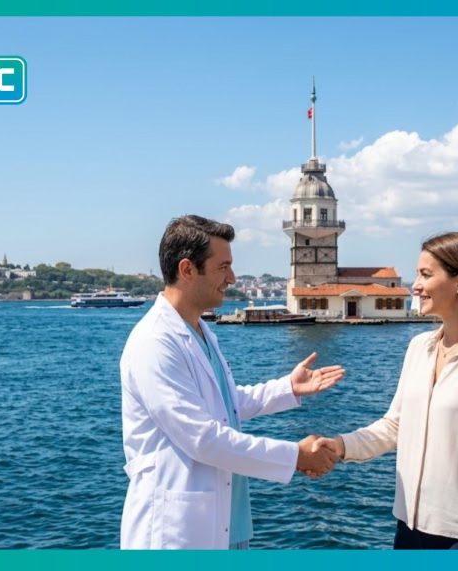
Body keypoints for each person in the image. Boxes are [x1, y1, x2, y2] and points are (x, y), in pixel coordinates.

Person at [119, 215, 344, 550]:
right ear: (187, 269)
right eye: (223, 266)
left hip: (227, 525)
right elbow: (203, 438)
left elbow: (223, 404)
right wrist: (295, 456)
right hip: (177, 535)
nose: (232, 278)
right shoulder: (154, 342)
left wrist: (287, 388)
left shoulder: (199, 331)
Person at [317, 231, 458, 549]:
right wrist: (340, 446)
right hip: (409, 531)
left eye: (426, 275)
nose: (415, 285)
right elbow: (395, 426)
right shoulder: (418, 348)